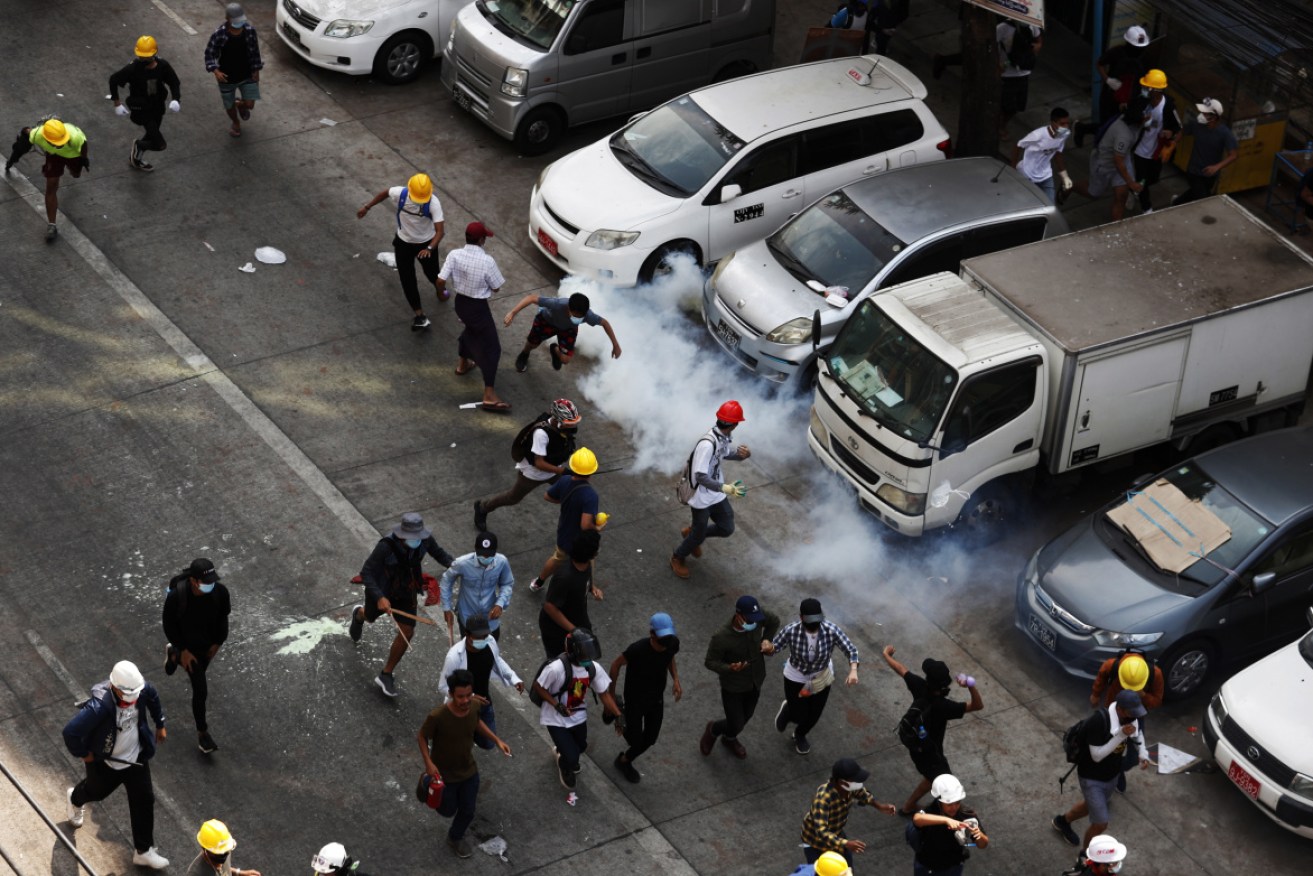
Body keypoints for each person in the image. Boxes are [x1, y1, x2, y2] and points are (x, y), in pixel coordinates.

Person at [63, 660, 169, 870]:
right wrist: (85, 755)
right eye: (129, 696)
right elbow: (70, 732)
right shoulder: (99, 707)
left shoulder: (141, 689)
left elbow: (153, 696)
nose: (133, 700)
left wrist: (160, 723)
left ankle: (143, 850)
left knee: (145, 799)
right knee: (95, 792)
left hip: (135, 758)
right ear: (115, 688)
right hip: (106, 763)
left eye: (136, 694)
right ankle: (74, 798)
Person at [348, 512, 454, 697]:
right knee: (371, 617)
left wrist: (458, 567)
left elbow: (439, 554)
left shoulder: (426, 540)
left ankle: (386, 674)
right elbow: (366, 572)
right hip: (382, 589)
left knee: (408, 630)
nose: (417, 540)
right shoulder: (385, 547)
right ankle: (359, 615)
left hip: (406, 590)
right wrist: (380, 597)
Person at [418, 669, 513, 857]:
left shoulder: (476, 705)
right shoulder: (438, 716)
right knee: (447, 810)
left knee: (468, 811)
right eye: (460, 696)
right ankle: (426, 781)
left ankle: (455, 837)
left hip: (469, 771)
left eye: (469, 695)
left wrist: (496, 740)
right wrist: (428, 763)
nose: (466, 700)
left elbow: (477, 722)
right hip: (443, 775)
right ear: (451, 694)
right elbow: (422, 736)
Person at [881, 645, 983, 816]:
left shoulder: (919, 686)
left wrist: (886, 654)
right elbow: (978, 705)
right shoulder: (944, 706)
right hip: (931, 752)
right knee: (947, 782)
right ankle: (956, 813)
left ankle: (909, 806)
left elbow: (900, 669)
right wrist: (970, 686)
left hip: (916, 745)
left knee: (930, 778)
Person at [1051, 691, 1148, 860]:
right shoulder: (1098, 722)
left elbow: (1137, 734)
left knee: (1090, 806)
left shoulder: (1130, 717)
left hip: (1111, 775)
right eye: (1132, 712)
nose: (1136, 717)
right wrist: (1120, 736)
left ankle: (1062, 822)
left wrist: (1143, 753)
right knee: (1100, 823)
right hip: (1091, 777)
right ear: (1120, 709)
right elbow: (1097, 756)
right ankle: (1086, 857)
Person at [533, 628, 624, 793]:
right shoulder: (555, 669)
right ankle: (564, 763)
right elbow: (539, 687)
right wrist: (556, 705)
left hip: (578, 715)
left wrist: (618, 715)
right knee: (572, 757)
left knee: (581, 747)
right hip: (556, 718)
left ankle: (564, 752)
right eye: (584, 654)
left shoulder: (592, 668)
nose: (587, 658)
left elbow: (603, 693)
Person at [671, 401, 751, 579]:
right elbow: (700, 476)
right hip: (701, 497)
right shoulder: (707, 444)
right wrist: (725, 487)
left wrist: (741, 455)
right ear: (735, 424)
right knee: (698, 535)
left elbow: (724, 453)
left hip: (716, 493)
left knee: (726, 527)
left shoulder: (721, 437)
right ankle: (677, 556)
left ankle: (693, 534)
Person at [474, 398, 580, 530]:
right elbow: (539, 463)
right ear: (557, 420)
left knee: (573, 490)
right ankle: (483, 508)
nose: (573, 426)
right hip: (533, 474)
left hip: (554, 470)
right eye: (569, 423)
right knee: (512, 498)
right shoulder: (541, 434)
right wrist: (563, 471)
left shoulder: (562, 429)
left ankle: (579, 520)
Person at [771, 598, 860, 756]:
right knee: (799, 714)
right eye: (809, 623)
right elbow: (775, 646)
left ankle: (800, 735)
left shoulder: (830, 629)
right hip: (796, 675)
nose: (813, 627)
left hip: (821, 675)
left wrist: (853, 670)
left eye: (816, 622)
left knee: (814, 714)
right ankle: (789, 710)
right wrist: (766, 647)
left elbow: (851, 650)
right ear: (801, 618)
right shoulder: (791, 630)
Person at [436, 222, 510, 412]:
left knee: (470, 332)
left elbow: (440, 280)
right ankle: (489, 395)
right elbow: (496, 287)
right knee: (493, 348)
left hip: (460, 304)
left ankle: (463, 365)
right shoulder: (487, 261)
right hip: (478, 308)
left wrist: (441, 292)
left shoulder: (454, 255)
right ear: (481, 240)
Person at [357, 174, 445, 331]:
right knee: (407, 278)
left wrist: (429, 248)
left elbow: (440, 231)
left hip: (425, 244)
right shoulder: (400, 193)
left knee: (433, 275)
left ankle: (440, 291)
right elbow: (384, 193)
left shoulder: (433, 203)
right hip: (403, 243)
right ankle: (420, 315)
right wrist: (367, 207)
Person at [162, 557, 231, 755]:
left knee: (198, 675)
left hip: (206, 646)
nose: (211, 585)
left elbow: (222, 620)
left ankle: (172, 656)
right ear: (193, 581)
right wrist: (182, 649)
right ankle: (203, 734)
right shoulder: (177, 597)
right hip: (187, 646)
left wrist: (217, 644)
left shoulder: (220, 593)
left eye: (213, 581)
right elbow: (169, 625)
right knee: (200, 689)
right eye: (206, 583)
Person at [701, 595, 780, 759]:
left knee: (746, 716)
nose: (753, 623)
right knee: (736, 722)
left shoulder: (757, 616)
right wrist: (729, 668)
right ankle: (713, 729)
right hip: (733, 686)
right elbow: (710, 662)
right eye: (749, 619)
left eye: (755, 619)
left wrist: (767, 640)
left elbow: (774, 621)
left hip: (756, 679)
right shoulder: (721, 637)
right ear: (738, 615)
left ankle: (729, 738)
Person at [609, 612, 683, 783]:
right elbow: (616, 665)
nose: (665, 646)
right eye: (661, 641)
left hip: (656, 699)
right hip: (635, 700)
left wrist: (676, 680)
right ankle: (618, 711)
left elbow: (670, 658)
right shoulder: (638, 650)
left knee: (650, 738)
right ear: (652, 634)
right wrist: (611, 696)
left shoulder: (671, 643)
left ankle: (624, 761)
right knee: (634, 740)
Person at [438, 613, 524, 750]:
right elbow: (443, 686)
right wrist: (470, 697)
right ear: (467, 634)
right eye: (478, 637)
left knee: (488, 743)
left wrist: (513, 677)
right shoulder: (454, 657)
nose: (483, 640)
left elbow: (497, 660)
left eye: (484, 636)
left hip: (484, 704)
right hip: (462, 706)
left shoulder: (489, 642)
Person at [528, 447, 602, 592]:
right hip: (580, 540)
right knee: (587, 560)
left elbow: (547, 496)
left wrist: (563, 500)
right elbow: (585, 525)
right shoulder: (590, 495)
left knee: (557, 559)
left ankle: (538, 582)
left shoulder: (565, 480)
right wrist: (598, 527)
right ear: (592, 472)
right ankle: (590, 587)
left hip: (564, 532)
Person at [1090, 651, 1164, 792]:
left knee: (1133, 758)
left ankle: (1115, 769)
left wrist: (1144, 695)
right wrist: (1095, 693)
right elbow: (1102, 674)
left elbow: (1157, 701)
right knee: (1109, 751)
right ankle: (1109, 774)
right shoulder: (1113, 665)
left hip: (1136, 714)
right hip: (1113, 714)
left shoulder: (1156, 675)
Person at [799, 757, 897, 865]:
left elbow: (862, 794)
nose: (859, 783)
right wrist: (846, 843)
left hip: (836, 831)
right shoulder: (823, 798)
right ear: (842, 782)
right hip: (816, 842)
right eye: (855, 780)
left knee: (846, 868)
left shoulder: (848, 788)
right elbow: (821, 831)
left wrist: (879, 806)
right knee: (821, 871)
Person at [109, 36, 182, 172]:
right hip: (141, 109)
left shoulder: (163, 67)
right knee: (160, 144)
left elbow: (174, 82)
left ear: (154, 53)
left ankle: (136, 156)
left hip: (157, 106)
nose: (144, 60)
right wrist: (117, 103)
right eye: (141, 57)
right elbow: (114, 80)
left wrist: (176, 99)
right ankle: (138, 145)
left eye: (147, 57)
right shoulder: (133, 69)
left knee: (151, 135)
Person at [1071, 97, 1150, 222]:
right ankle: (1070, 187)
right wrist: (1131, 183)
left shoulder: (1134, 120)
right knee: (1094, 193)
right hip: (1105, 163)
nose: (1149, 115)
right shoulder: (1124, 135)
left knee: (1121, 196)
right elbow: (1117, 161)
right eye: (1147, 113)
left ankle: (1115, 228)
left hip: (1123, 158)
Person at [504, 291, 622, 372]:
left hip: (568, 329)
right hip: (547, 321)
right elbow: (531, 298)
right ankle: (524, 354)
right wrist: (513, 313)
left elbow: (605, 323)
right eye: (575, 315)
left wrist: (615, 345)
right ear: (568, 308)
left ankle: (554, 349)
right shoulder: (557, 304)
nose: (578, 318)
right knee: (532, 344)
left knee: (565, 360)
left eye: (581, 317)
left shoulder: (588, 315)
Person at [1074, 26, 1149, 145]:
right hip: (1111, 94)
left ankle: (1083, 129)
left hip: (1128, 96)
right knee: (1108, 125)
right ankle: (1084, 131)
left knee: (1115, 125)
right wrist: (1107, 79)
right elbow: (1099, 64)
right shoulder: (1117, 52)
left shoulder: (1141, 59)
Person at [18, 118, 90, 241]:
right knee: (51, 186)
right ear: (46, 138)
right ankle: (52, 225)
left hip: (73, 155)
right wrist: (24, 131)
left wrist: (83, 160)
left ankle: (73, 170)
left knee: (76, 175)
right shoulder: (37, 135)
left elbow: (83, 144)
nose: (61, 143)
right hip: (54, 156)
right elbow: (28, 131)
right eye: (57, 142)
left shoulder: (75, 137)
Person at [537, 530, 603, 658]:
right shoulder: (564, 576)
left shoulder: (586, 563)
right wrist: (574, 630)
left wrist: (592, 588)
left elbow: (585, 580)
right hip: (556, 629)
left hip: (578, 617)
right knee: (560, 660)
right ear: (591, 553)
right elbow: (549, 606)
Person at [908, 774, 989, 876]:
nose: (954, 807)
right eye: (949, 804)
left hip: (953, 866)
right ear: (939, 801)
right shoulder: (930, 811)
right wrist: (946, 820)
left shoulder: (967, 815)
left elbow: (983, 844)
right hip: (926, 865)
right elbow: (917, 819)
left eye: (957, 803)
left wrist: (979, 835)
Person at [440, 531, 514, 642]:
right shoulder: (462, 563)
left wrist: (500, 604)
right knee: (470, 651)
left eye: (489, 555)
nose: (485, 558)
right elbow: (446, 581)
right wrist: (446, 608)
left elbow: (507, 583)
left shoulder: (502, 562)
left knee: (490, 650)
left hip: (490, 618)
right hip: (467, 617)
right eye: (482, 554)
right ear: (475, 549)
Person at [204, 3, 262, 138]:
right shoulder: (219, 34)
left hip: (247, 74)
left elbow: (255, 53)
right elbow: (209, 55)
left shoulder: (249, 30)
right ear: (227, 18)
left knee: (250, 104)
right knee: (228, 105)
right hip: (226, 77)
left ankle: (240, 104)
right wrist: (216, 71)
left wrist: (256, 70)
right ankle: (236, 122)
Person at [1130, 70, 1181, 213]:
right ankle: (1147, 208)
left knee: (1152, 178)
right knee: (1142, 181)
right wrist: (1139, 120)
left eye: (1148, 87)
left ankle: (1132, 187)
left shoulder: (1168, 106)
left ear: (1157, 91)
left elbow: (1178, 128)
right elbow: (1130, 114)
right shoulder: (1140, 100)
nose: (1145, 89)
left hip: (1155, 151)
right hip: (1139, 149)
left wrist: (1171, 133)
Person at [1171, 98, 1239, 206]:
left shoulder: (1224, 133)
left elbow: (1233, 155)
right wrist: (1173, 143)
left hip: (1210, 174)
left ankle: (1176, 202)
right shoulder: (1196, 125)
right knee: (1203, 200)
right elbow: (1183, 131)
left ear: (1214, 117)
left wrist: (1216, 167)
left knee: (1199, 193)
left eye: (1206, 113)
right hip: (1194, 171)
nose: (1202, 115)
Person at [1014, 108, 1073, 204]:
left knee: (1050, 206)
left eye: (1067, 123)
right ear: (1053, 123)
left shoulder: (1065, 134)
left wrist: (1065, 177)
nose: (1066, 127)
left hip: (1045, 175)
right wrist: (1012, 168)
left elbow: (1058, 154)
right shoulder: (1038, 135)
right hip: (1027, 174)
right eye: (1062, 124)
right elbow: (1018, 145)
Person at [998, 19, 1043, 136]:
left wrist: (1035, 49)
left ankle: (1001, 125)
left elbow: (1039, 41)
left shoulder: (1032, 26)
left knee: (1017, 106)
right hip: (1006, 73)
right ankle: (999, 127)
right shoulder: (1003, 27)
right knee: (1005, 105)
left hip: (1024, 72)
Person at [188, 819, 261, 875]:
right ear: (204, 848)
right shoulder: (196, 873)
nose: (223, 855)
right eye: (218, 853)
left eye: (226, 851)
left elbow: (222, 870)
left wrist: (240, 873)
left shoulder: (225, 848)